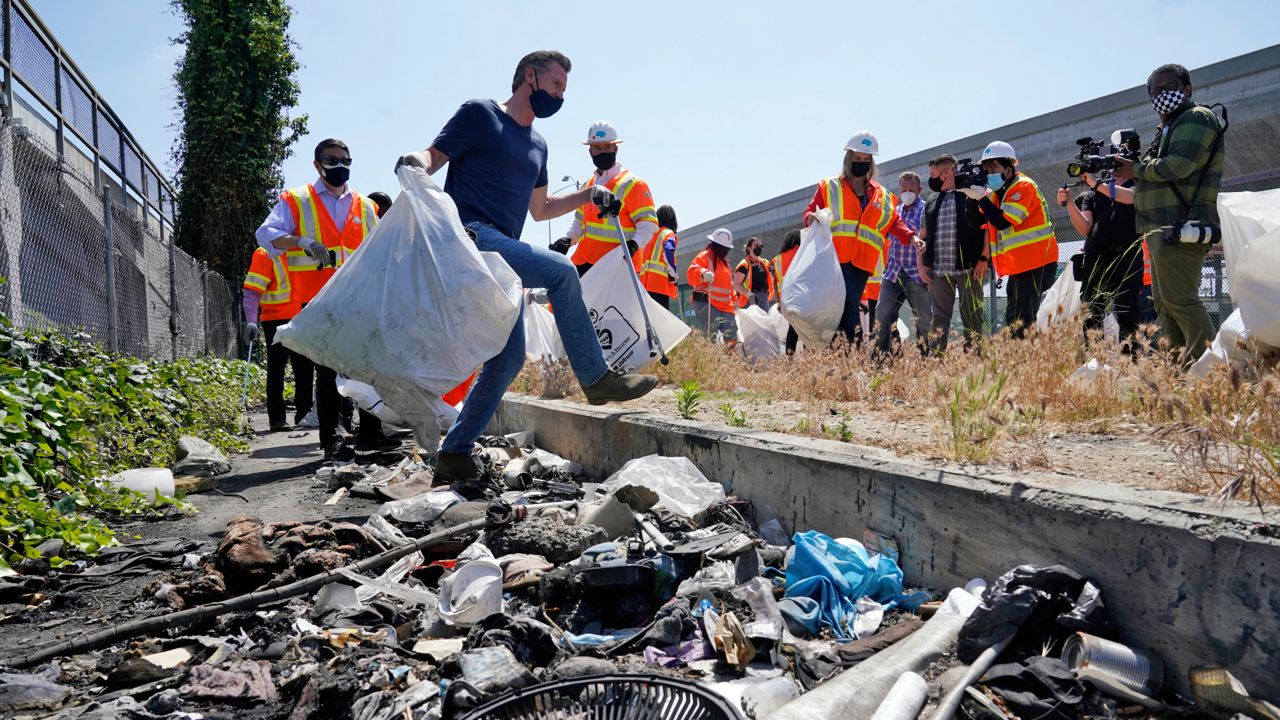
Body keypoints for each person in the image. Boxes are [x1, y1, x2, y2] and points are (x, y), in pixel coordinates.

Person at [395, 50, 658, 485]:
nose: (560, 97)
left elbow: (541, 209)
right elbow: (433, 157)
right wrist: (413, 162)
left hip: (502, 253)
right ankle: (596, 378)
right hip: (469, 237)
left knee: (510, 357)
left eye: (564, 91)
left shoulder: (538, 144)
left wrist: (590, 195)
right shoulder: (481, 114)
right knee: (561, 271)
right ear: (530, 78)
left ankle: (455, 454)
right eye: (556, 87)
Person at [255, 138, 385, 461]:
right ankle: (332, 440)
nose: (339, 166)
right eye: (331, 160)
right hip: (317, 301)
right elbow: (266, 234)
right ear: (317, 164)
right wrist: (301, 242)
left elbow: (384, 247)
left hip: (357, 301)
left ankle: (370, 431)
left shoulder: (366, 207)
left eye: (345, 160)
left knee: (365, 368)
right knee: (327, 372)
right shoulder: (297, 200)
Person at [1119, 62, 1226, 366]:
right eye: (1156, 92)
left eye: (1169, 88)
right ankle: (1181, 369)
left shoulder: (1197, 118)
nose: (1162, 95)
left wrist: (1134, 169)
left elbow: (1179, 165)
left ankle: (1213, 370)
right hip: (1161, 228)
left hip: (1181, 225)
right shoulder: (1169, 126)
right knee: (1165, 305)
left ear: (1187, 89)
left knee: (1180, 301)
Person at [802, 131, 921, 347]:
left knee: (847, 305)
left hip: (863, 262)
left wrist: (911, 237)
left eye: (866, 160)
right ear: (849, 159)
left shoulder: (881, 194)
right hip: (837, 259)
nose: (862, 163)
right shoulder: (830, 186)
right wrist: (810, 217)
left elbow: (893, 221)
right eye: (858, 159)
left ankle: (839, 352)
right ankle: (855, 351)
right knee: (848, 305)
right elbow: (811, 211)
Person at [962, 141, 1058, 338]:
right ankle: (1019, 357)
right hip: (1020, 264)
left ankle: (1027, 359)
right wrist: (971, 198)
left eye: (994, 167)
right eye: (986, 169)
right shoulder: (998, 194)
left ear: (1009, 166)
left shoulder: (1023, 187)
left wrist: (980, 198)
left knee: (1023, 319)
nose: (989, 173)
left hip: (1036, 262)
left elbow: (1003, 221)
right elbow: (976, 222)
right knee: (1013, 317)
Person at [552, 121, 658, 278]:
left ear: (616, 148)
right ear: (590, 152)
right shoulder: (587, 186)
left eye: (607, 147)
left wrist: (634, 245)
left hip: (619, 265)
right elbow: (579, 223)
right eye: (598, 148)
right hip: (586, 265)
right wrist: (567, 239)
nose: (603, 152)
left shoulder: (633, 184)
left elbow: (648, 224)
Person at [1058, 161, 1142, 354]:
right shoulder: (1092, 195)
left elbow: (1129, 198)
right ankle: (1093, 360)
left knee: (1128, 313)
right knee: (1092, 313)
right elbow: (1086, 228)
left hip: (1126, 257)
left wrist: (1096, 184)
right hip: (1096, 259)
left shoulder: (1137, 185)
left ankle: (1130, 362)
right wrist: (1070, 203)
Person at [919, 154, 989, 354]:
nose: (931, 179)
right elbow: (922, 235)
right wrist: (921, 264)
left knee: (972, 317)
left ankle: (975, 361)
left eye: (934, 175)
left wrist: (984, 258)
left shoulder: (972, 194)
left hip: (970, 269)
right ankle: (936, 360)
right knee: (939, 319)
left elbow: (988, 228)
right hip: (939, 273)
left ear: (947, 172)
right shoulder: (931, 201)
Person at [241, 247, 302, 433]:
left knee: (305, 367)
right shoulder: (264, 254)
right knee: (277, 369)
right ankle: (277, 419)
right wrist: (251, 320)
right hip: (276, 319)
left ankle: (304, 414)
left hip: (303, 315)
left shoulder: (302, 246)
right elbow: (252, 291)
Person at [874, 171, 931, 357]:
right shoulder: (894, 212)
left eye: (911, 190)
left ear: (919, 190)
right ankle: (885, 355)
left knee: (923, 320)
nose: (907, 193)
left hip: (916, 274)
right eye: (903, 190)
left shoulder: (926, 210)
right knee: (883, 313)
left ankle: (925, 356)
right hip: (893, 273)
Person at [687, 228, 737, 342]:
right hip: (708, 303)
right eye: (725, 248)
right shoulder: (704, 256)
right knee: (709, 339)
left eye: (728, 248)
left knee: (732, 337)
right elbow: (691, 273)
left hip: (726, 306)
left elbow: (729, 285)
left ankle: (731, 358)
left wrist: (734, 299)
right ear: (716, 245)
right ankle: (707, 359)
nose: (726, 251)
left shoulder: (725, 264)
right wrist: (702, 273)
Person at [633, 204, 679, 308]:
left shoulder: (650, 235)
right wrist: (673, 274)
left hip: (645, 286)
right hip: (659, 287)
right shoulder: (668, 234)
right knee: (661, 321)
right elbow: (669, 251)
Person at [772, 229, 801, 355]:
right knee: (806, 327)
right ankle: (810, 357)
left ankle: (789, 358)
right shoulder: (799, 252)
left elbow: (775, 281)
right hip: (799, 295)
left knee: (793, 327)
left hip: (785, 299)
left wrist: (778, 301)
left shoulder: (778, 258)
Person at [733, 236, 773, 310]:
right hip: (749, 300)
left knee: (764, 321)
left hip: (764, 298)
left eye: (760, 246)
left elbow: (770, 280)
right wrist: (749, 294)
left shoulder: (766, 263)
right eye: (756, 245)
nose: (759, 247)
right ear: (749, 248)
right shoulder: (744, 264)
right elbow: (736, 284)